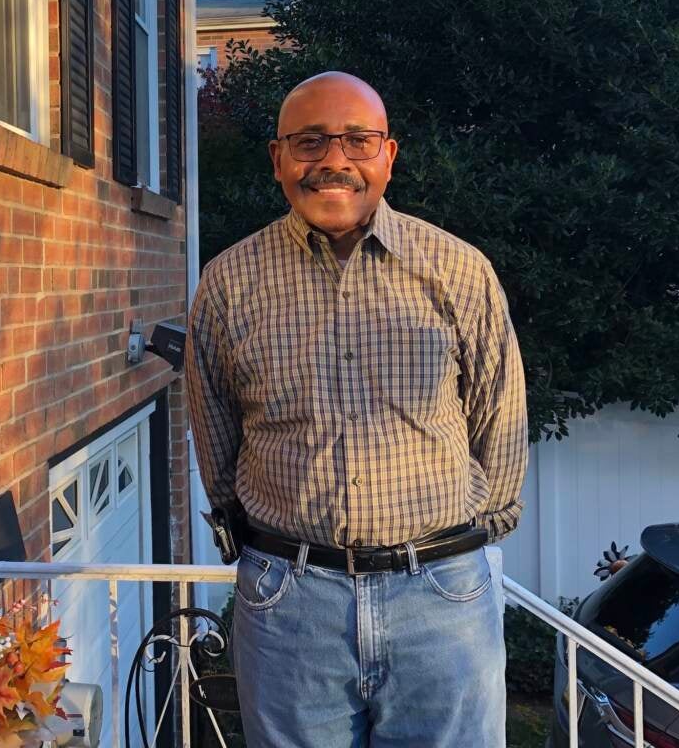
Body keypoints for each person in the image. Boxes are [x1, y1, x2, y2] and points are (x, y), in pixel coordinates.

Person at [185, 71, 528, 748]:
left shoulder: (459, 271)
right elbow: (215, 438)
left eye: (357, 141)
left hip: (442, 599)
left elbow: (501, 422)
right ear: (278, 160)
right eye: (309, 142)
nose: (334, 161)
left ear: (389, 156)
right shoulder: (227, 283)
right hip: (289, 606)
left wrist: (459, 547)